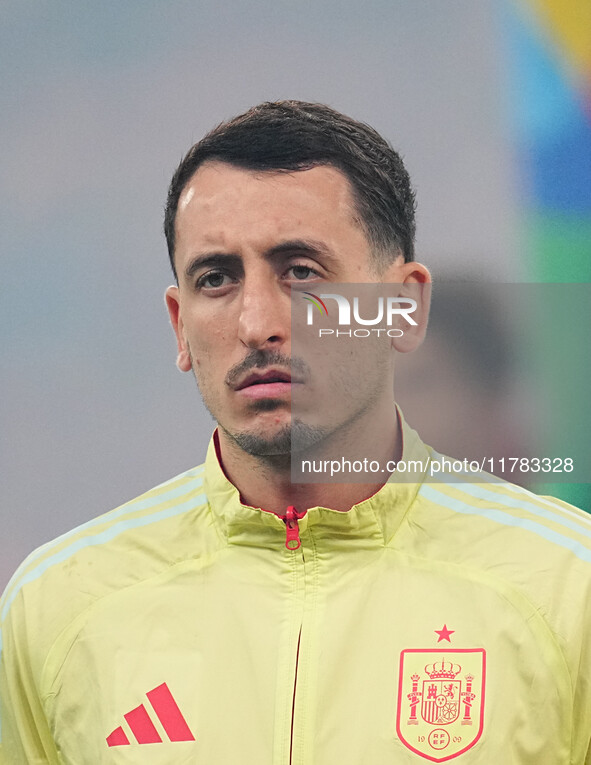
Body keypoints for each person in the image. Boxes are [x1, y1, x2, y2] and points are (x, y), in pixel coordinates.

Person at [1, 101, 590, 765]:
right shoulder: (59, 604)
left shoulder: (567, 586)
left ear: (403, 307)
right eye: (217, 278)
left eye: (301, 271)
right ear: (178, 325)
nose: (257, 321)